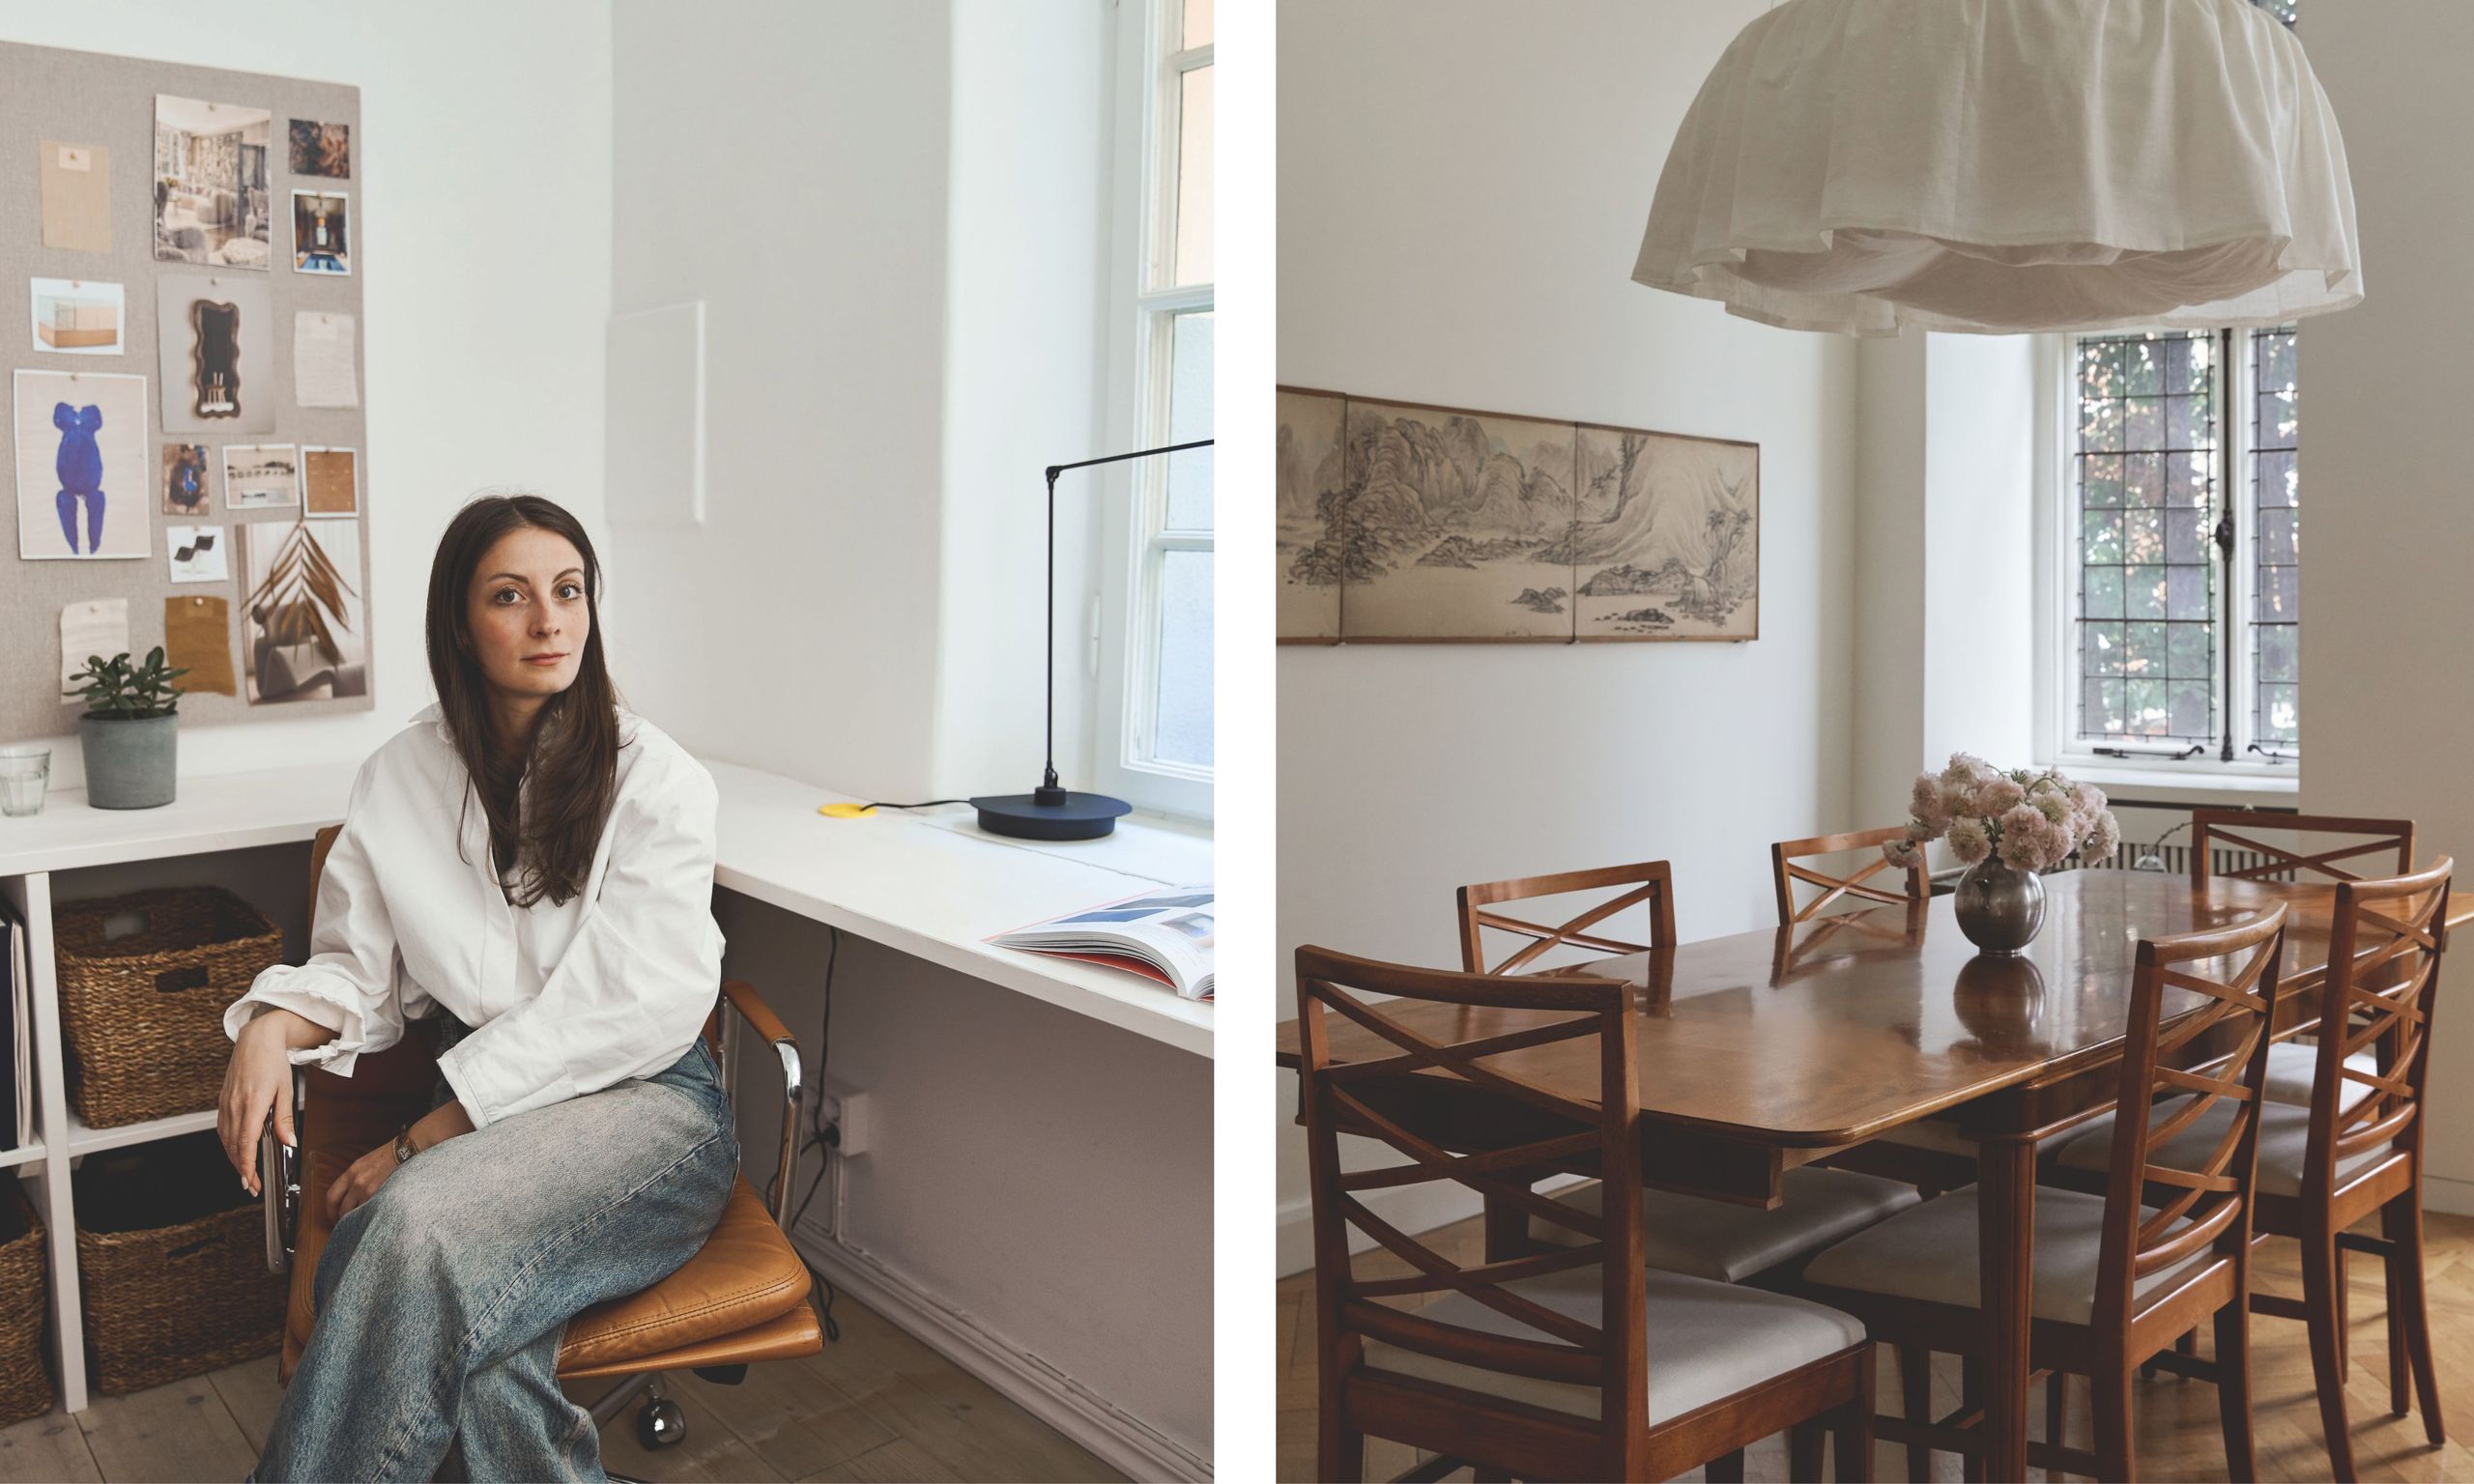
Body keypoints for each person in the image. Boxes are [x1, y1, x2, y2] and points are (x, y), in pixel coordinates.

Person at [215, 492, 740, 1482]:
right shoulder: (399, 775)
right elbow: (357, 973)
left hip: (649, 1115)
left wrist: (429, 1138)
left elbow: (635, 1007)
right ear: (458, 621)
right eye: (511, 596)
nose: (550, 621)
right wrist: (270, 1025)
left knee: (407, 1228)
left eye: (569, 591)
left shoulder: (657, 779)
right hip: (491, 1125)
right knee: (481, 1357)